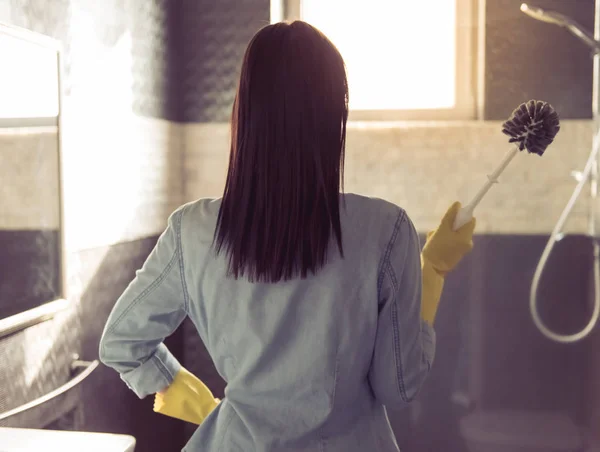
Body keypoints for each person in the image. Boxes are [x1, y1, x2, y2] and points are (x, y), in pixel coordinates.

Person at [99, 20, 475, 452]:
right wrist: (432, 273)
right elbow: (399, 387)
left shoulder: (192, 230)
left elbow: (122, 342)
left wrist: (178, 386)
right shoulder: (385, 231)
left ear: (244, 110)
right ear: (336, 112)